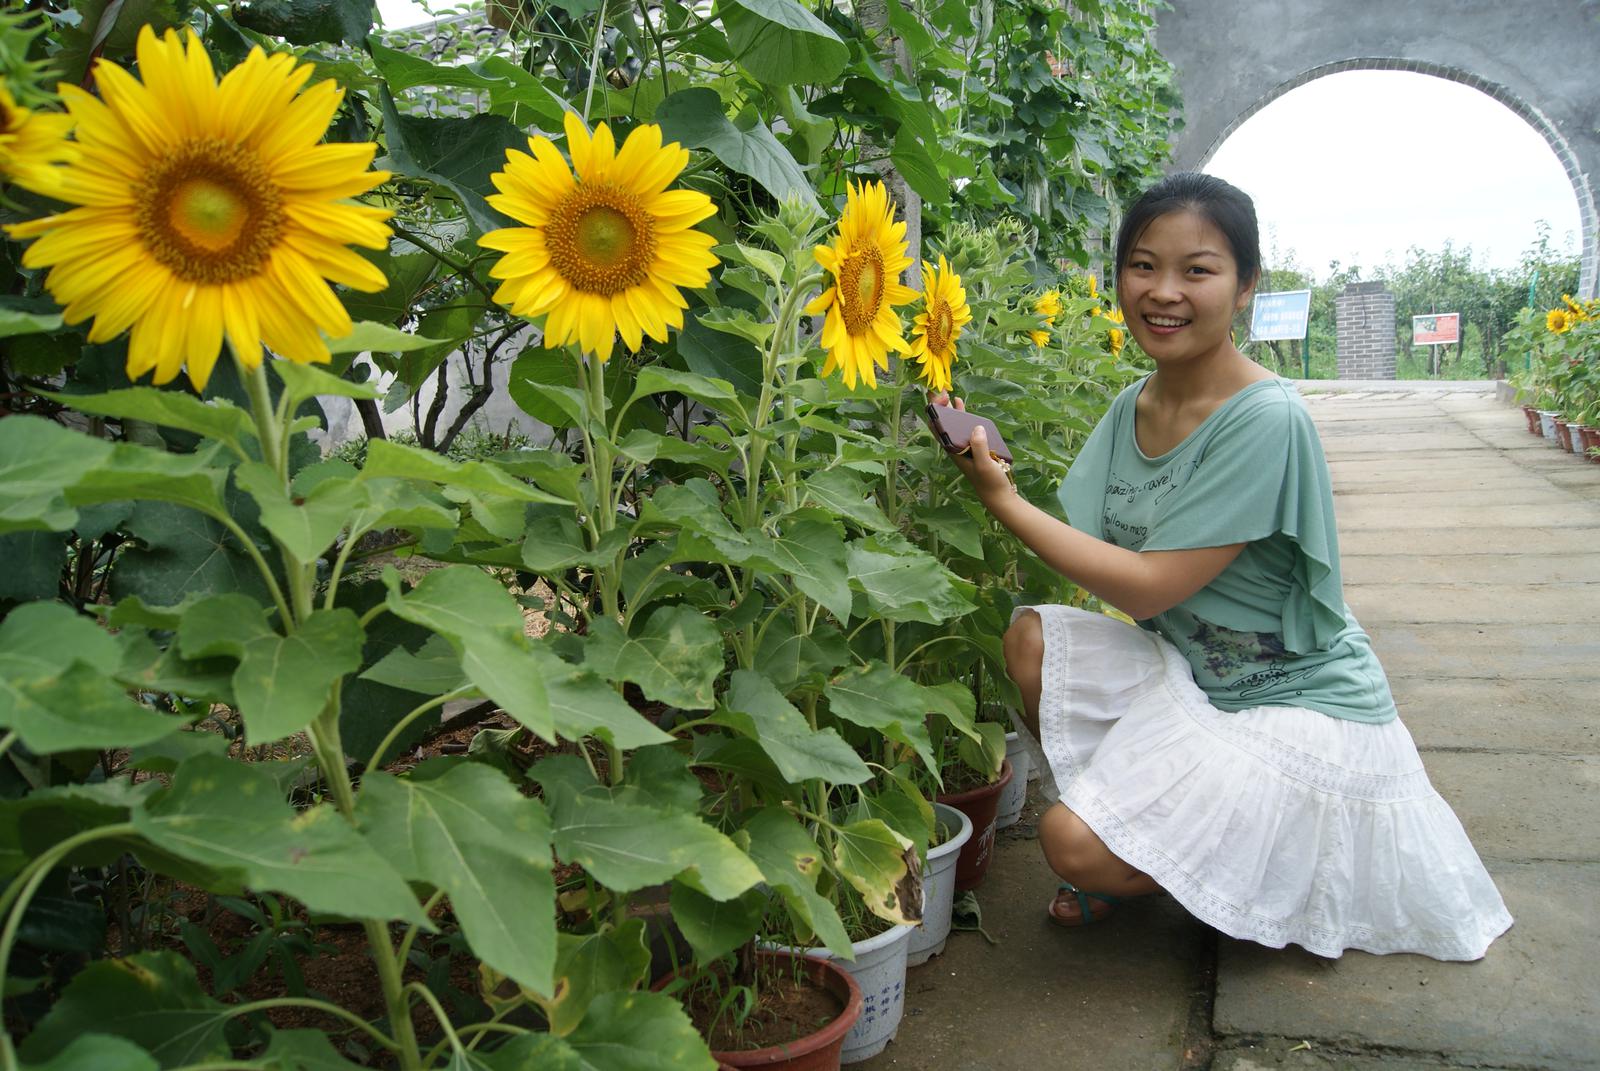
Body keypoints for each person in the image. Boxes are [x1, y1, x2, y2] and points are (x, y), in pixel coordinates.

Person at [934, 173, 1512, 960]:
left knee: (1070, 845)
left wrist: (1003, 502)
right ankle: (1160, 845)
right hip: (1195, 677)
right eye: (1143, 265)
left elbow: (1146, 584)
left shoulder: (1266, 418)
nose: (1163, 291)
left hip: (1293, 702)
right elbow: (1102, 559)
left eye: (1197, 270)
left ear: (1245, 288)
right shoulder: (1133, 403)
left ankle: (1171, 859)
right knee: (1033, 639)